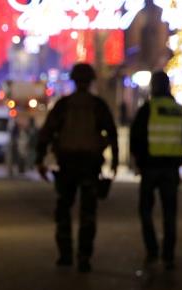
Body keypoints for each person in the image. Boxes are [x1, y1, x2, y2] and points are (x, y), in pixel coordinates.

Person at [35, 62, 119, 273]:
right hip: (90, 165)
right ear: (91, 81)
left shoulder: (64, 105)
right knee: (88, 214)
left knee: (64, 210)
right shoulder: (98, 105)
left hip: (67, 165)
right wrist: (115, 162)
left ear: (73, 80)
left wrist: (40, 160)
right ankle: (84, 257)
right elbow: (112, 133)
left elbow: (46, 133)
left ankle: (65, 255)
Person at [128, 70, 182, 270]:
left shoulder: (147, 110)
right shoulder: (179, 110)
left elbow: (135, 138)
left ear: (153, 87)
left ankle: (152, 251)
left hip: (150, 168)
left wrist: (140, 162)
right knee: (169, 213)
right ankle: (168, 255)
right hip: (170, 170)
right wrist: (178, 159)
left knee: (145, 211)